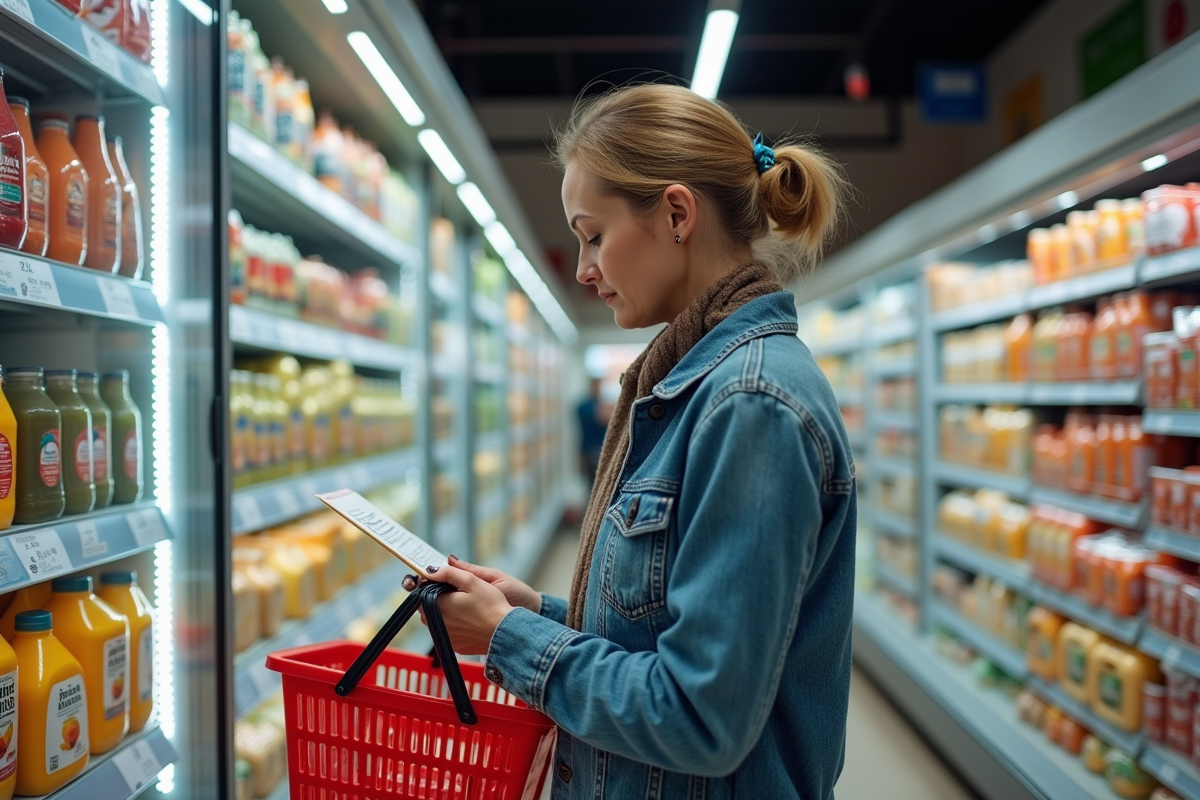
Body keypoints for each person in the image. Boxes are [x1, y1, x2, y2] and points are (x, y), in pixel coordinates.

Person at [409, 83, 856, 799]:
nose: (584, 268)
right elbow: (672, 632)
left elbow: (699, 717)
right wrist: (535, 613)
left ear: (677, 214)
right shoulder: (690, 388)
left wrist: (510, 641)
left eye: (593, 234)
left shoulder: (748, 405)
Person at [576, 376, 609, 488]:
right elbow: (601, 419)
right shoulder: (586, 407)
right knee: (593, 485)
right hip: (593, 451)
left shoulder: (597, 405)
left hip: (600, 449)